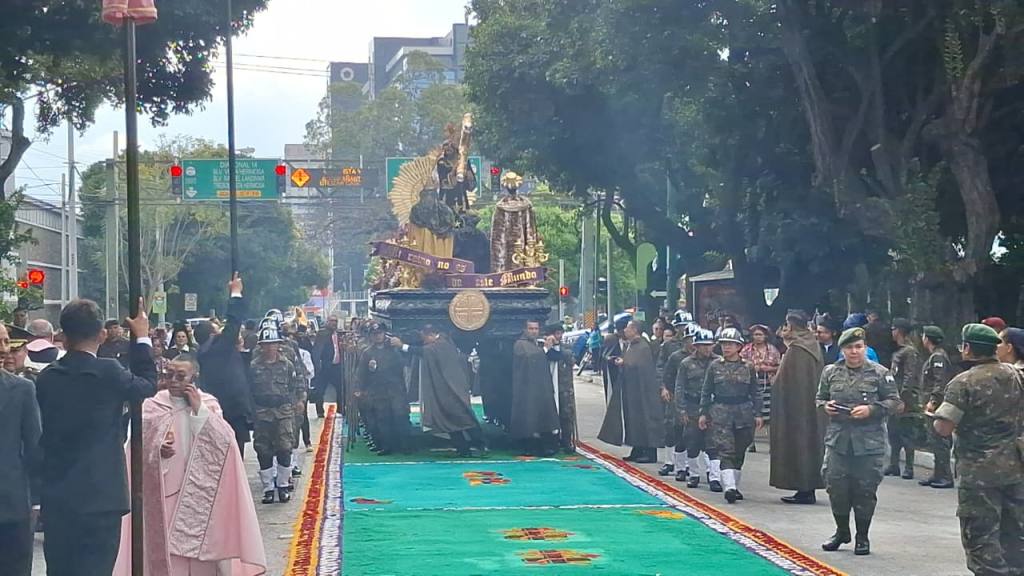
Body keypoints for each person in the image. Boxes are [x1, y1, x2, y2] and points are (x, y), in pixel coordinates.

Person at [112, 354, 266, 575]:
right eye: (169, 374)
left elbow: (225, 443)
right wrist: (157, 447)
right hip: (164, 491)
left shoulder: (209, 404)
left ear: (194, 377)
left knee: (200, 558)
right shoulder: (152, 405)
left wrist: (199, 411)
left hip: (198, 491)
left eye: (181, 376)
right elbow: (135, 445)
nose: (173, 380)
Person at [35, 298, 157, 576]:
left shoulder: (47, 378)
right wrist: (141, 339)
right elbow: (148, 385)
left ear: (62, 336)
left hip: (58, 495)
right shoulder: (109, 372)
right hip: (101, 494)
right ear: (101, 334)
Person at [933, 323, 1024, 576]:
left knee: (981, 538)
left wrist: (934, 415)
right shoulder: (1017, 376)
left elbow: (944, 427)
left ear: (968, 348)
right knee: (1014, 535)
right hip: (1015, 468)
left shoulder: (962, 382)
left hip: (978, 472)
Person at [817, 327, 899, 556]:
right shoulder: (830, 372)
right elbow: (820, 397)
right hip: (838, 440)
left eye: (858, 347)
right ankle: (842, 531)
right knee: (835, 487)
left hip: (869, 442)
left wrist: (872, 409)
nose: (854, 352)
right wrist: (826, 406)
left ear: (865, 348)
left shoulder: (880, 373)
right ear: (842, 350)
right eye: (849, 348)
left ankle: (862, 536)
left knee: (864, 490)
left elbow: (894, 402)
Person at [393, 324, 482, 456]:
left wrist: (402, 346)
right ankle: (463, 449)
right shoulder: (441, 343)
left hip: (452, 391)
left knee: (464, 418)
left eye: (425, 339)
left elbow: (425, 351)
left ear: (431, 335)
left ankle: (481, 444)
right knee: (449, 420)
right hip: (444, 391)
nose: (424, 342)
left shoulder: (442, 345)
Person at [699, 327, 762, 503]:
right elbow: (706, 391)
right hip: (720, 411)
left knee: (740, 449)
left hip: (743, 412)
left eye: (731, 344)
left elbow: (755, 391)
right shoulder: (714, 366)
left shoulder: (748, 367)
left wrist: (759, 413)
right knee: (725, 450)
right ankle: (729, 487)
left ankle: (734, 485)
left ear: (738, 347)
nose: (726, 347)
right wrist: (703, 413)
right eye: (724, 344)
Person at [771, 311, 826, 504]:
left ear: (792, 327)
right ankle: (806, 487)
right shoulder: (812, 345)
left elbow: (783, 382)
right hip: (809, 408)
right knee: (809, 444)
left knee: (800, 445)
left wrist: (774, 382)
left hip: (796, 409)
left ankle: (804, 489)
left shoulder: (797, 350)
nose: (784, 330)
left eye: (787, 326)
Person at [0, 324, 41, 576]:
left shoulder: (23, 389)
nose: (3, 349)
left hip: (11, 507)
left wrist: (36, 499)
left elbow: (35, 446)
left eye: (5, 341)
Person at [196, 274, 252, 457]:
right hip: (232, 411)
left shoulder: (201, 354)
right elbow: (234, 322)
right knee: (234, 457)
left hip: (215, 413)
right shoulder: (219, 349)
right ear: (211, 335)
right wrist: (235, 293)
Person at [250, 317, 303, 504]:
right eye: (266, 344)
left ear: (278, 345)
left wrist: (299, 401)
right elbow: (249, 389)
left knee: (285, 447)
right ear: (261, 346)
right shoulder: (254, 366)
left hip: (283, 410)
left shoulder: (286, 364)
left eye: (273, 344)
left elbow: (295, 384)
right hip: (262, 411)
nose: (270, 348)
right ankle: (268, 488)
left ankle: (282, 485)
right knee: (263, 450)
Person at [598, 320, 664, 463]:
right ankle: (637, 448)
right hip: (631, 391)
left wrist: (625, 363)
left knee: (645, 420)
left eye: (628, 328)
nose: (625, 331)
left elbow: (641, 365)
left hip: (643, 392)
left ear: (634, 330)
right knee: (633, 420)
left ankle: (649, 452)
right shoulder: (631, 346)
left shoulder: (643, 347)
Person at [675, 329, 719, 487]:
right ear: (696, 346)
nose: (707, 349)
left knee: (713, 443)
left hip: (713, 407)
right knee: (692, 441)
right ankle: (694, 474)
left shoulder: (718, 362)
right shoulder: (686, 363)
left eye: (710, 345)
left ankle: (714, 477)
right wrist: (681, 409)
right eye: (703, 345)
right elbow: (679, 387)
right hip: (692, 405)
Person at [511, 320, 561, 456]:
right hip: (527, 389)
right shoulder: (520, 344)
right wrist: (545, 349)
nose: (534, 331)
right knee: (529, 417)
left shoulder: (535, 343)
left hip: (541, 388)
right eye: (531, 328)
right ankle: (530, 446)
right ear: (525, 330)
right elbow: (529, 358)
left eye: (536, 328)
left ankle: (546, 445)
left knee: (544, 416)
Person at [919, 325, 956, 489]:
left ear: (927, 339)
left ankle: (946, 476)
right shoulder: (934, 356)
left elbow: (940, 382)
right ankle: (938, 473)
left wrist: (933, 401)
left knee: (940, 441)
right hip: (932, 403)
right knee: (934, 440)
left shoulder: (938, 357)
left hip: (937, 405)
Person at [885, 318, 921, 479]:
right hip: (894, 395)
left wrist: (904, 398)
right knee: (893, 432)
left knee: (906, 433)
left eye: (893, 329)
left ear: (899, 330)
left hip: (905, 398)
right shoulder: (898, 351)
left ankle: (909, 467)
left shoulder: (910, 351)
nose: (891, 332)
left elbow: (910, 376)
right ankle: (894, 464)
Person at [657, 322, 691, 477]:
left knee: (689, 430)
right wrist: (663, 387)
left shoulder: (700, 348)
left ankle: (686, 464)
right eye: (680, 326)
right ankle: (669, 462)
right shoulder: (669, 346)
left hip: (692, 392)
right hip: (672, 390)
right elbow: (661, 367)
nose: (683, 329)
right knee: (670, 427)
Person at [741, 324, 780, 451]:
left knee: (770, 415)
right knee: (752, 414)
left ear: (765, 336)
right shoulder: (746, 350)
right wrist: (752, 368)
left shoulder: (773, 350)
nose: (757, 337)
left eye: (760, 334)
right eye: (755, 334)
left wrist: (768, 368)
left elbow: (780, 367)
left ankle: (771, 443)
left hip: (768, 384)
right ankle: (751, 442)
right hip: (751, 385)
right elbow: (740, 364)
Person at [545, 324, 578, 453]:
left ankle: (567, 441)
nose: (559, 336)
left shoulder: (566, 348)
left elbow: (571, 360)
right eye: (556, 333)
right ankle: (552, 441)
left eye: (560, 333)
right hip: (549, 386)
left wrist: (557, 348)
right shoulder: (544, 347)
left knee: (567, 415)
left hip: (564, 387)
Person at [312, 315, 344, 418]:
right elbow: (317, 350)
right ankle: (320, 411)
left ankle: (341, 408)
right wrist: (317, 366)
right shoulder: (322, 333)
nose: (334, 323)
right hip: (325, 365)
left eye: (335, 321)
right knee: (321, 389)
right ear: (327, 322)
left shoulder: (338, 334)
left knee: (341, 387)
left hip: (336, 366)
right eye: (331, 321)